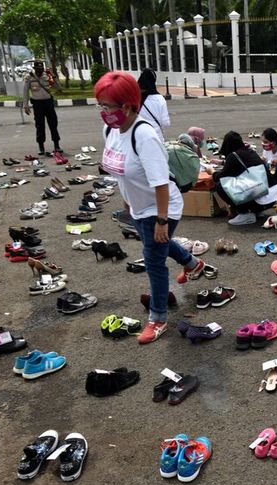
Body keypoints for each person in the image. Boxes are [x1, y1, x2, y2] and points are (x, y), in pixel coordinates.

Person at [94, 71, 203, 345]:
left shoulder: (144, 136)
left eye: (108, 106)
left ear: (129, 106)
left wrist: (162, 222)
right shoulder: (110, 130)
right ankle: (193, 263)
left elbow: (160, 184)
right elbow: (121, 170)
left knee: (154, 260)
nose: (104, 112)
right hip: (139, 206)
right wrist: (127, 201)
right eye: (101, 105)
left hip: (161, 206)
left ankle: (158, 318)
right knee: (158, 246)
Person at [213, 131, 276, 225]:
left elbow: (221, 176)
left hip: (259, 196)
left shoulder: (233, 156)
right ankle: (256, 211)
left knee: (220, 185)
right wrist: (222, 163)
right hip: (271, 196)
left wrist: (212, 172)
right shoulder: (250, 152)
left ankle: (245, 214)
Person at [23, 60, 61, 156]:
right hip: (37, 104)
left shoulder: (47, 76)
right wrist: (25, 105)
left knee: (53, 124)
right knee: (40, 126)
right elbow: (25, 92)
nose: (40, 70)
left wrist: (53, 75)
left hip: (48, 103)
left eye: (41, 68)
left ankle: (57, 145)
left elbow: (57, 87)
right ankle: (41, 147)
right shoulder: (29, 77)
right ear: (34, 69)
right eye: (38, 69)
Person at [137, 68, 170, 141]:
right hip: (156, 138)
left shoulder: (134, 98)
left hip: (138, 138)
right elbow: (166, 123)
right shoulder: (160, 99)